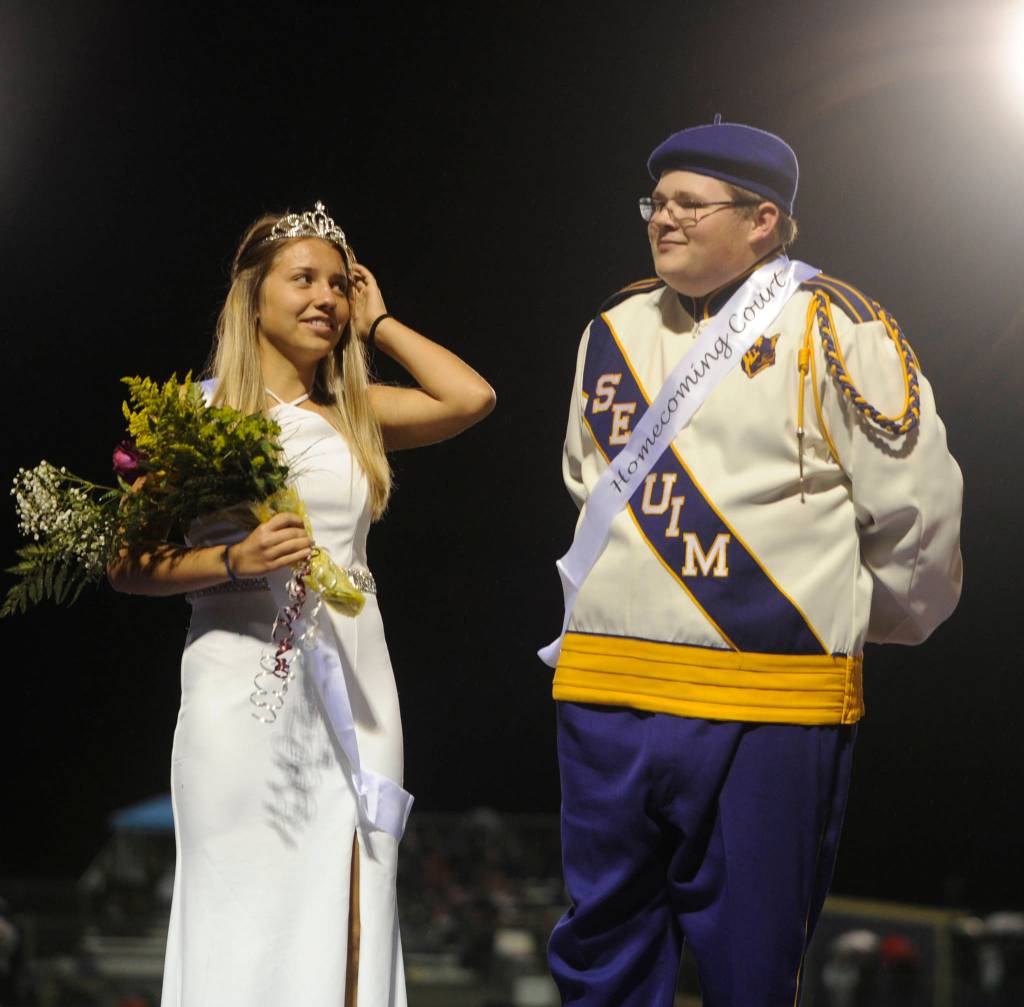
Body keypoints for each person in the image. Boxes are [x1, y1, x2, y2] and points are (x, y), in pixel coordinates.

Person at [542, 119, 963, 1006]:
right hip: (608, 691)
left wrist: (834, 617)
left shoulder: (841, 328)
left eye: (690, 205)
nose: (663, 220)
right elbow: (589, 486)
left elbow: (915, 517)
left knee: (750, 970)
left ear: (764, 219)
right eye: (656, 203)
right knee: (599, 962)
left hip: (767, 699)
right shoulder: (611, 330)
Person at [108, 201, 495, 1007]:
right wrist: (230, 558)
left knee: (357, 894)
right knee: (245, 907)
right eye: (303, 280)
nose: (325, 297)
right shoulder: (193, 415)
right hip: (239, 686)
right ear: (253, 296)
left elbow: (471, 397)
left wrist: (380, 321)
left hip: (355, 685)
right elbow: (127, 563)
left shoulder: (354, 414)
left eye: (337, 284)